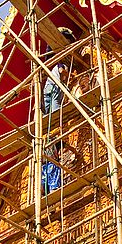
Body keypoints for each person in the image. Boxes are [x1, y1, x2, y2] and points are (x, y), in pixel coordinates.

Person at [40, 28, 75, 195]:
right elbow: (61, 70)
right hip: (51, 88)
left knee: (51, 116)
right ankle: (53, 128)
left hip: (50, 87)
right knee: (52, 116)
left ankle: (53, 127)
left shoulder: (57, 65)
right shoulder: (57, 65)